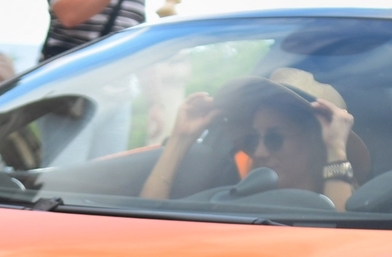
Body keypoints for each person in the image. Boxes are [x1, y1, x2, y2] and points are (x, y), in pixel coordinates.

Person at [141, 71, 361, 210]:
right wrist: (181, 138)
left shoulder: (351, 206)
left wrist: (336, 149)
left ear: (317, 142)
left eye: (275, 138)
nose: (260, 152)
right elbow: (145, 224)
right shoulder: (237, 202)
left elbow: (343, 239)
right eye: (253, 139)